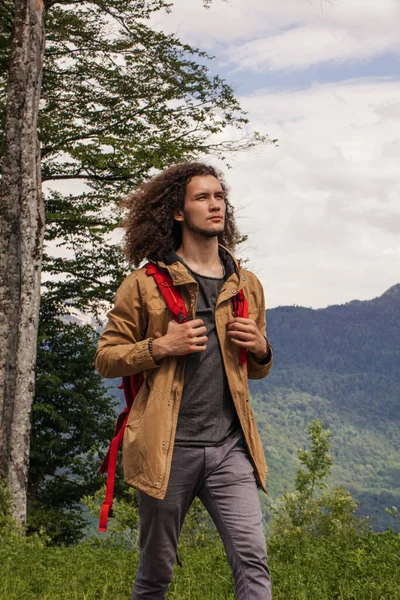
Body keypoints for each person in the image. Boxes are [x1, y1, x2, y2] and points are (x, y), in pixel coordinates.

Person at [95, 162, 273, 599]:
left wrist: (262, 349)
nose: (215, 205)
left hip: (231, 447)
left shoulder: (246, 283)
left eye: (219, 197)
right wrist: (160, 347)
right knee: (155, 574)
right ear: (178, 211)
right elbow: (105, 359)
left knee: (252, 559)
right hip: (166, 449)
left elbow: (255, 367)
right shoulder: (143, 285)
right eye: (202, 198)